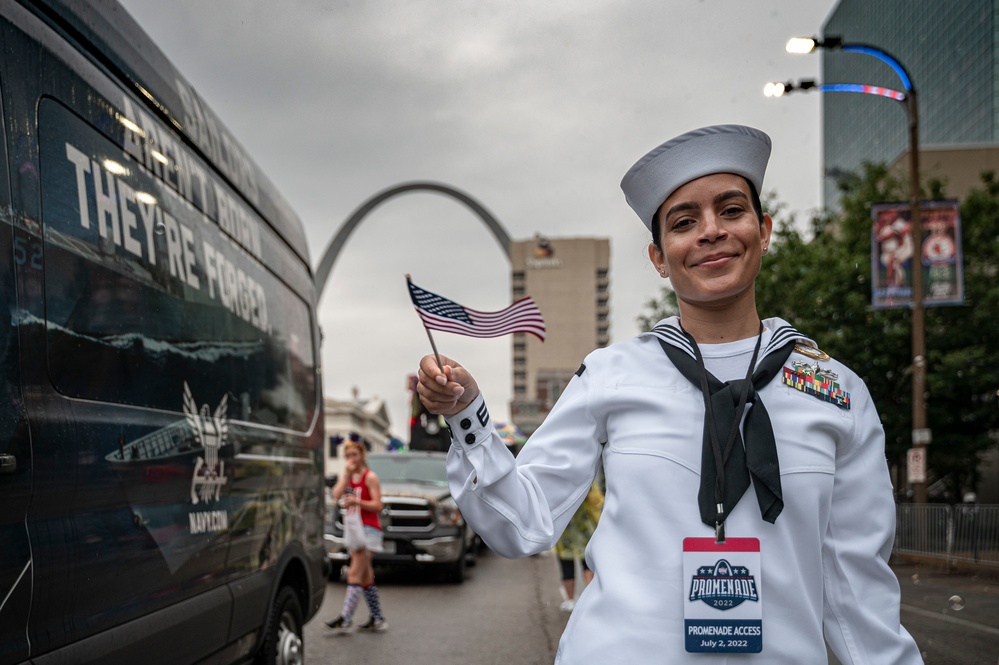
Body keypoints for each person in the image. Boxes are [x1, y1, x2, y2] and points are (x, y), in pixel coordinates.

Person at [416, 125, 923, 663]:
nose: (710, 232)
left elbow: (857, 593)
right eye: (684, 222)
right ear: (659, 257)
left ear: (764, 229)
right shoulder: (610, 375)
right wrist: (467, 416)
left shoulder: (838, 393)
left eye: (731, 211)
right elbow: (523, 522)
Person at [326, 434, 388, 634]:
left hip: (369, 529)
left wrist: (358, 502)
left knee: (354, 571)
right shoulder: (349, 477)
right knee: (365, 575)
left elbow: (378, 505)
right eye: (348, 455)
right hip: (353, 529)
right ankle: (377, 618)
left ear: (362, 455)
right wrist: (345, 475)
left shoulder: (370, 477)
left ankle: (345, 618)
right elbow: (336, 495)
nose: (352, 459)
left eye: (355, 454)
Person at [554, 481, 602, 612]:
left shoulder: (556, 481)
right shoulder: (585, 479)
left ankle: (570, 600)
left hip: (565, 530)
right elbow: (596, 501)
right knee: (587, 563)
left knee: (566, 563)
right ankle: (590, 597)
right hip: (583, 526)